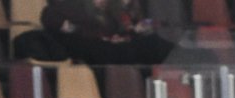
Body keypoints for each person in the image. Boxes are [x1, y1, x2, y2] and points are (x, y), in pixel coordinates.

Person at [38, 0, 173, 65]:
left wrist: (131, 32)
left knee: (152, 43)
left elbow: (117, 30)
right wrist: (75, 29)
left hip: (113, 46)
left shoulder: (113, 8)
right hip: (89, 50)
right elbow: (49, 16)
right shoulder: (70, 5)